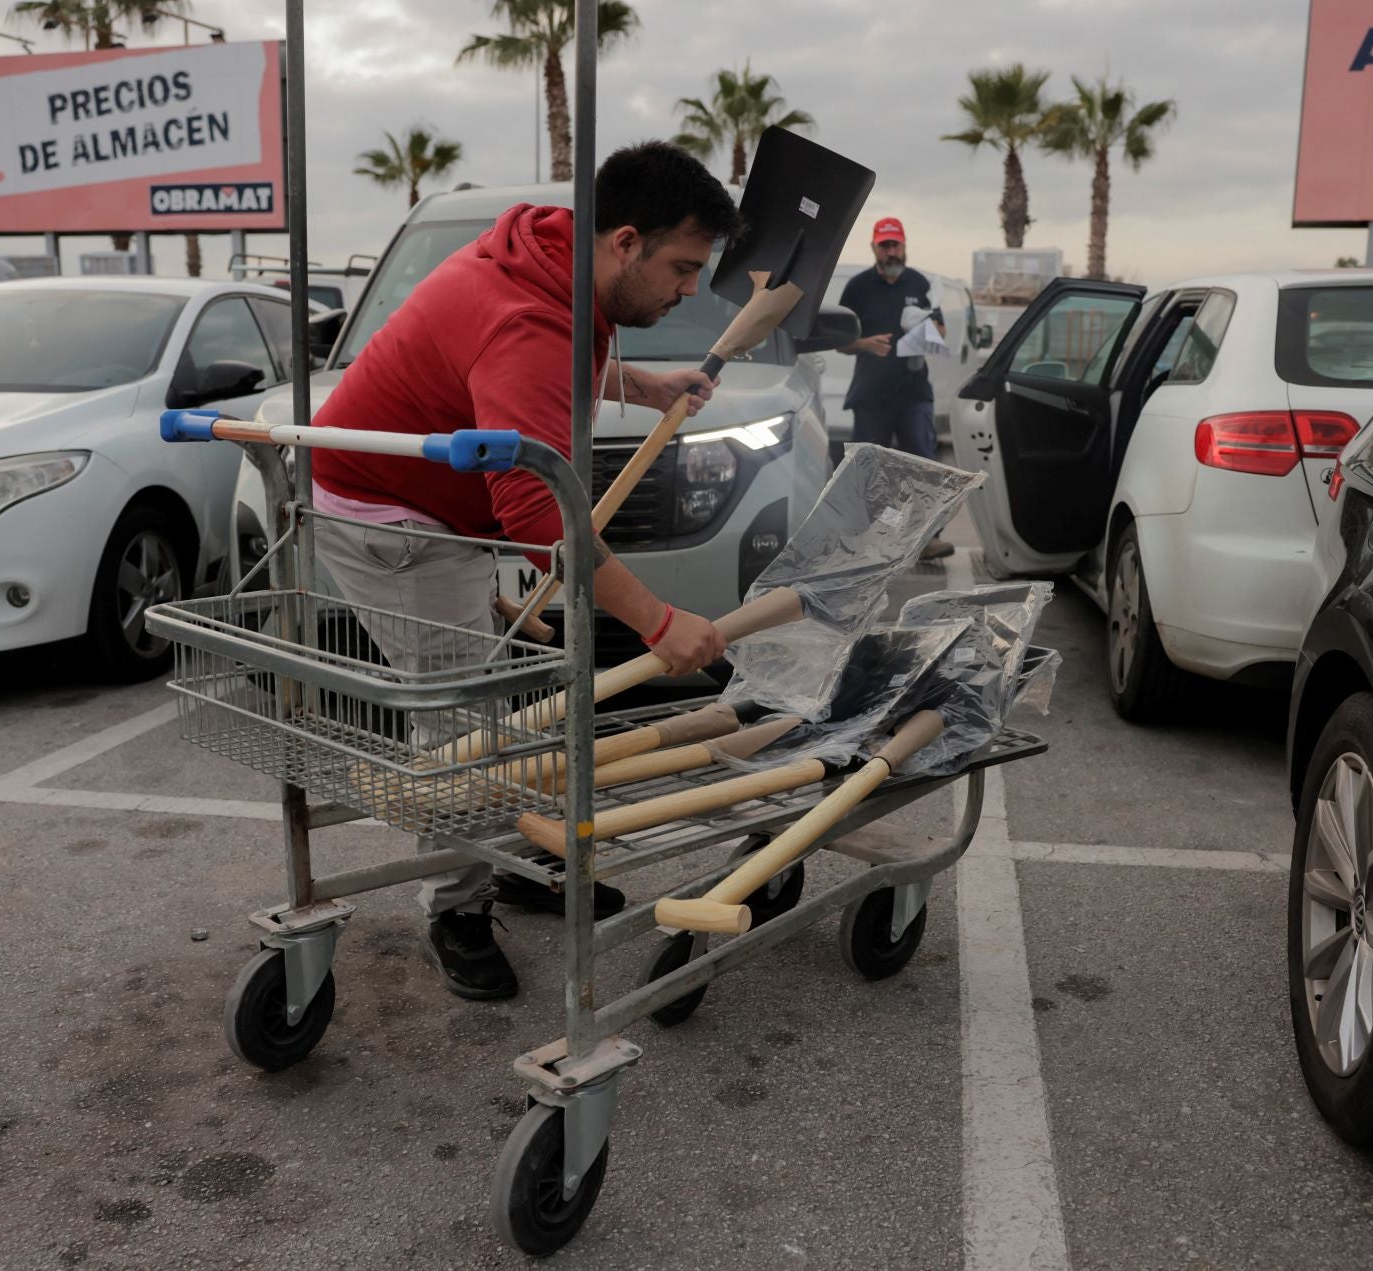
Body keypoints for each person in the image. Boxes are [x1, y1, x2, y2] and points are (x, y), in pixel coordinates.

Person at [307, 141, 742, 1001]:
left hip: (436, 509)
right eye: (684, 268)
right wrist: (658, 622)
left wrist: (645, 386)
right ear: (624, 241)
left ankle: (510, 859)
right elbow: (541, 517)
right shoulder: (527, 317)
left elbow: (559, 367)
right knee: (463, 726)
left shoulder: (552, 252)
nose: (691, 288)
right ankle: (456, 908)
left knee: (505, 706)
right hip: (391, 523)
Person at [838, 216, 954, 560]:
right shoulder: (857, 288)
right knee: (868, 468)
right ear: (874, 247)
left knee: (923, 467)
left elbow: (942, 331)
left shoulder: (921, 284)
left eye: (896, 245)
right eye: (884, 245)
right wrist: (863, 344)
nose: (891, 252)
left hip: (914, 393)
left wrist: (926, 333)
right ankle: (866, 539)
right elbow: (839, 341)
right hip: (871, 395)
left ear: (905, 246)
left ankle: (927, 539)